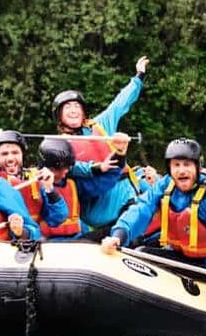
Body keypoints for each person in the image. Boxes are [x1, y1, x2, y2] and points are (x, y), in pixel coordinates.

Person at [100, 138, 206, 285]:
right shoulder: (165, 185)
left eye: (187, 165)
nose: (181, 171)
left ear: (197, 166)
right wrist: (118, 235)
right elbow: (141, 209)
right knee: (141, 254)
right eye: (176, 165)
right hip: (179, 256)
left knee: (143, 255)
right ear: (169, 168)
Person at [52, 56, 156, 231]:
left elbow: (120, 103)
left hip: (126, 190)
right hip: (99, 203)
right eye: (67, 107)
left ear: (84, 112)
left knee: (153, 181)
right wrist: (97, 167)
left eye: (76, 106)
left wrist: (139, 76)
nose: (73, 110)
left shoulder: (101, 124)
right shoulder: (60, 145)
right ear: (59, 116)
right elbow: (68, 168)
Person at [37, 138, 125, 241]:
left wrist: (119, 154)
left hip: (76, 240)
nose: (66, 170)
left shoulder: (73, 184)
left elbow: (105, 180)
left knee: (112, 232)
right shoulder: (33, 185)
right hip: (46, 243)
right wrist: (50, 190)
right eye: (63, 167)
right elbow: (56, 217)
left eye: (68, 166)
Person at [0, 130, 67, 230]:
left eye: (15, 153)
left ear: (23, 154)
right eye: (4, 154)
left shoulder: (36, 178)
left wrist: (50, 189)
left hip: (29, 238)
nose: (10, 158)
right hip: (0, 240)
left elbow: (57, 218)